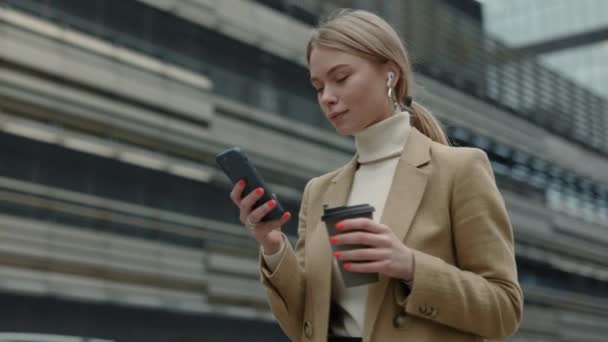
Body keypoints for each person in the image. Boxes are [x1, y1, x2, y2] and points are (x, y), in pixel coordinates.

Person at [229, 9, 523, 342]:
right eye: (318, 85)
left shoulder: (459, 170)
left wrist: (411, 266)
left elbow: (504, 309)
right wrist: (272, 245)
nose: (327, 97)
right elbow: (305, 324)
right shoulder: (320, 191)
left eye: (340, 78)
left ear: (390, 75)